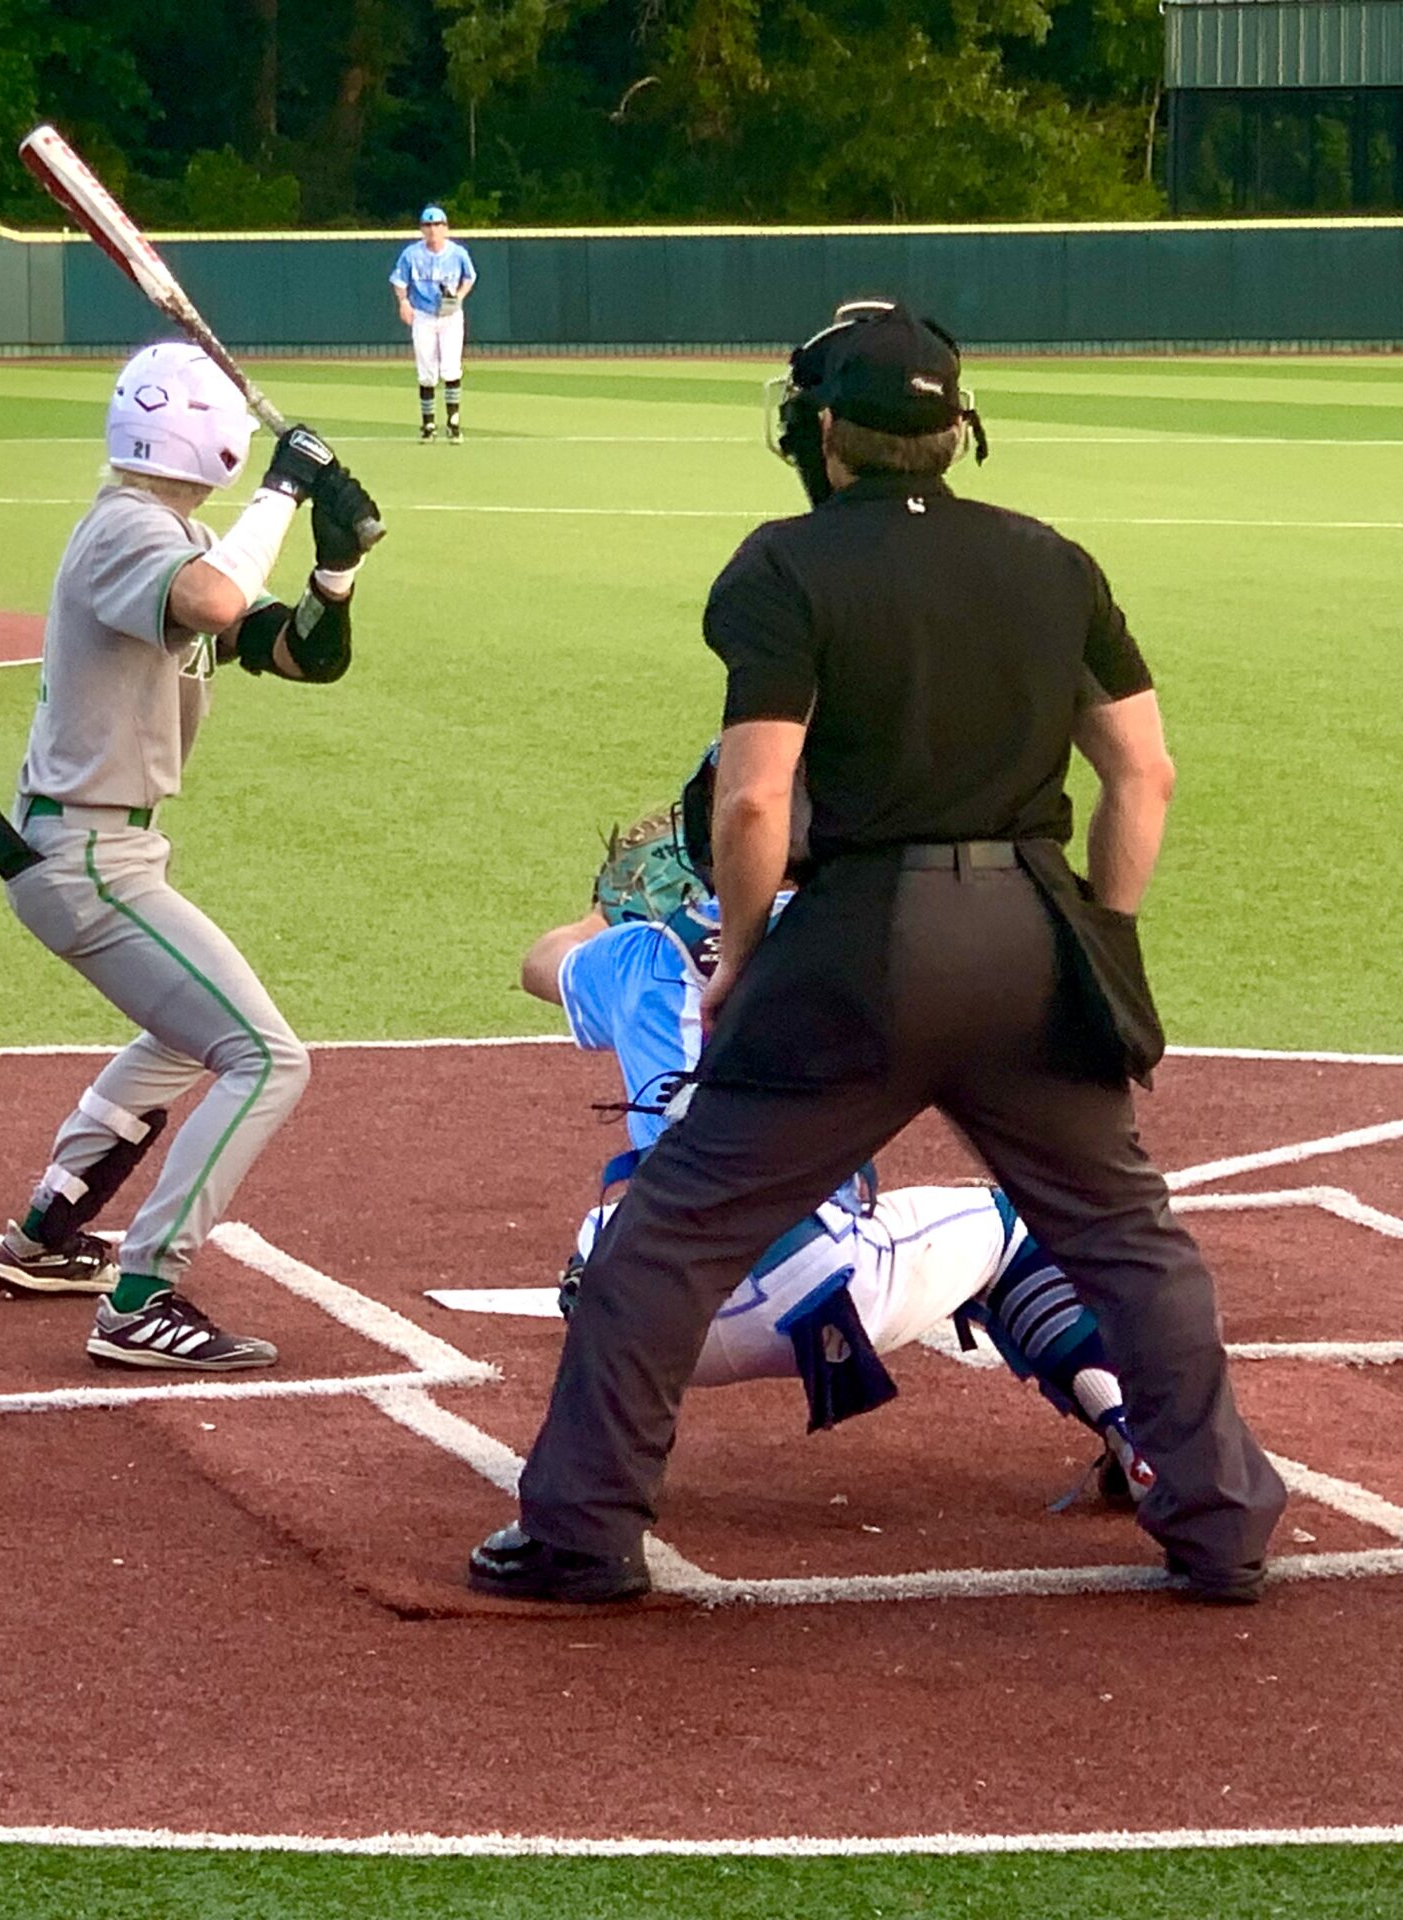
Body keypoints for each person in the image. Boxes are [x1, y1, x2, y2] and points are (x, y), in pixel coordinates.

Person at [470, 302, 1285, 1606]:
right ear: (955, 429)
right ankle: (1224, 1524)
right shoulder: (1051, 560)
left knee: (668, 1234)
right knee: (1129, 1238)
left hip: (857, 946)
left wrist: (738, 955)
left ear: (823, 428)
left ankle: (582, 1532)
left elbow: (750, 804)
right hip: (1028, 926)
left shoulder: (784, 568)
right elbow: (1145, 773)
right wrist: (1105, 938)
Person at [0, 340, 380, 1372]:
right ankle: (143, 1295)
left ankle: (49, 1231)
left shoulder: (176, 535)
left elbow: (297, 654)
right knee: (266, 1057)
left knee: (198, 1035)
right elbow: (220, 603)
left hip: (102, 848)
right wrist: (286, 490)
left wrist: (337, 570)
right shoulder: (126, 533)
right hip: (87, 854)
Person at [522, 851, 1153, 1508]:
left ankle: (613, 1460)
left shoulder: (636, 955)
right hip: (823, 1286)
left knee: (602, 1239)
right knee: (1012, 1224)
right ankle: (1135, 1437)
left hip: (659, 1304)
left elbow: (543, 963)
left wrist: (604, 919)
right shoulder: (864, 944)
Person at [389, 205, 475, 442]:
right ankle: (428, 425)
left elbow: (469, 277)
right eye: (428, 225)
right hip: (423, 315)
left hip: (449, 315)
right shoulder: (411, 254)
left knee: (451, 367)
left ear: (446, 228)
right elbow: (399, 280)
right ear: (421, 229)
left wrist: (458, 298)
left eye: (437, 224)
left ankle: (453, 423)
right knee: (426, 372)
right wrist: (404, 303)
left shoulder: (457, 253)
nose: (433, 229)